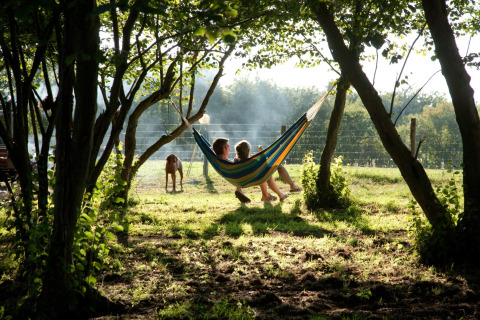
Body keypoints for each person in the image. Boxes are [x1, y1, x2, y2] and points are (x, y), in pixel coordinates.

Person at [212, 137, 288, 203]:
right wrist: (258, 156)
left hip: (239, 179)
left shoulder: (220, 161)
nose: (229, 148)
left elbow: (236, 165)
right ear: (224, 148)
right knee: (263, 172)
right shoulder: (228, 163)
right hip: (246, 179)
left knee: (263, 172)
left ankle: (266, 194)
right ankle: (269, 195)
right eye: (228, 146)